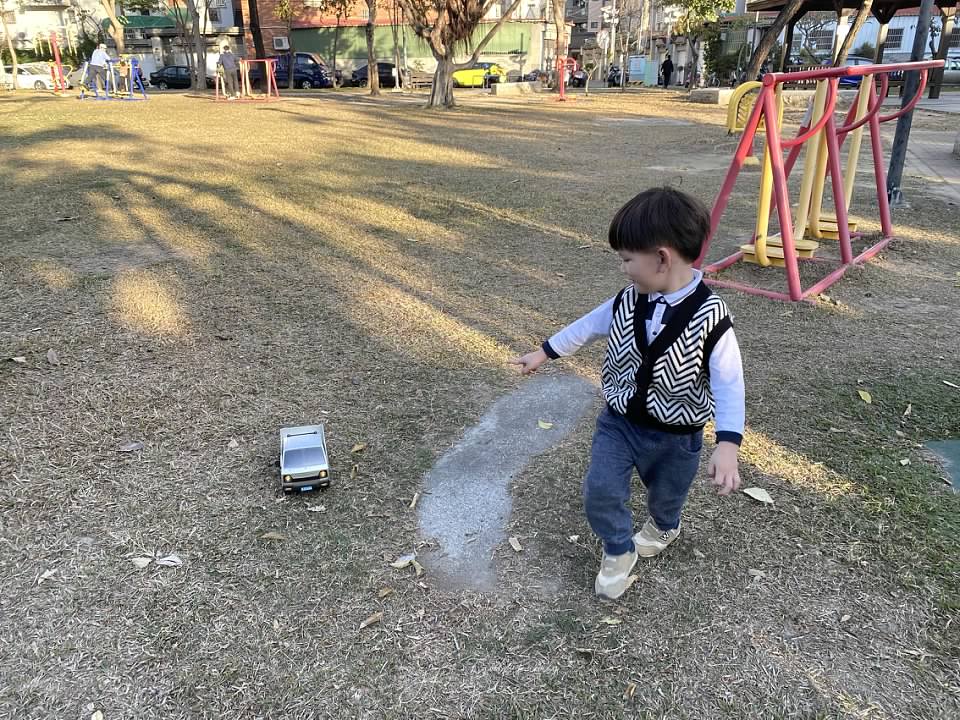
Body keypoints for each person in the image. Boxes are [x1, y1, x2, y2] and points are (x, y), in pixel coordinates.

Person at [510, 187, 745, 600]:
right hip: (618, 424)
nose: (624, 270)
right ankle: (618, 549)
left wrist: (728, 445)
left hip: (677, 436)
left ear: (661, 258)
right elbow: (586, 326)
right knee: (600, 488)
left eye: (627, 260)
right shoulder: (627, 300)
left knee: (667, 496)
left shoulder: (712, 317)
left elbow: (729, 383)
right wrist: (545, 352)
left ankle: (664, 527)